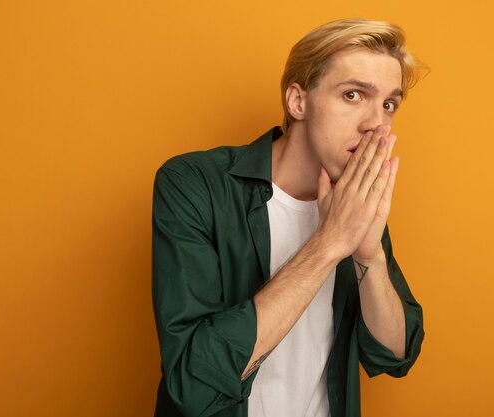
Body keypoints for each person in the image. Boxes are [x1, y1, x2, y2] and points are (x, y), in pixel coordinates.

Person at [152, 18, 426, 417]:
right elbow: (193, 383)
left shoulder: (354, 200)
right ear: (297, 101)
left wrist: (371, 258)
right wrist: (328, 244)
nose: (376, 124)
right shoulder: (194, 184)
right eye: (353, 95)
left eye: (388, 104)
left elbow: (395, 355)